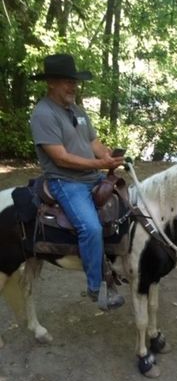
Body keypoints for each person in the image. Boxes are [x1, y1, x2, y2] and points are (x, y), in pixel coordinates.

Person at [29, 53, 125, 309]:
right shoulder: (43, 114)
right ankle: (97, 286)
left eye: (74, 81)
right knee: (91, 228)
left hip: (92, 176)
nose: (73, 86)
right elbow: (61, 159)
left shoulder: (77, 110)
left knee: (127, 208)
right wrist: (100, 165)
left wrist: (108, 157)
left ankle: (121, 264)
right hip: (66, 181)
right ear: (50, 82)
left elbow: (93, 142)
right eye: (66, 81)